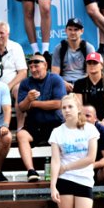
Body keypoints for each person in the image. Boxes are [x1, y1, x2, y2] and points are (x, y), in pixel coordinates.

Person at [49, 95, 99, 208]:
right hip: (65, 180)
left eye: (70, 106)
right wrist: (53, 186)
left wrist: (67, 167)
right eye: (64, 108)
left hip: (84, 179)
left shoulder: (90, 129)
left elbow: (91, 158)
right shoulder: (57, 132)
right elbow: (55, 160)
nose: (67, 110)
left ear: (78, 109)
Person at [17, 53, 67, 182]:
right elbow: (22, 107)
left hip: (56, 124)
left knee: (67, 133)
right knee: (21, 135)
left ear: (45, 65)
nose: (33, 70)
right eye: (31, 67)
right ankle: (31, 171)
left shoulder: (56, 79)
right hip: (35, 125)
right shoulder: (25, 83)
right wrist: (28, 99)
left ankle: (65, 171)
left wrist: (33, 103)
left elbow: (59, 103)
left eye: (36, 66)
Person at [73, 52, 104, 127]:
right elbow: (79, 107)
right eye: (89, 63)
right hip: (86, 122)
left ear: (101, 65)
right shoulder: (79, 84)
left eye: (95, 63)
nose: (92, 65)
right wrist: (88, 121)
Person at [51, 18, 95, 93]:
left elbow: (92, 70)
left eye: (76, 30)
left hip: (84, 83)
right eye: (70, 29)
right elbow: (55, 74)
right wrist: (63, 83)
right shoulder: (59, 48)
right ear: (66, 31)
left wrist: (81, 84)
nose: (73, 32)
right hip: (64, 82)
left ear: (82, 31)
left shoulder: (88, 48)